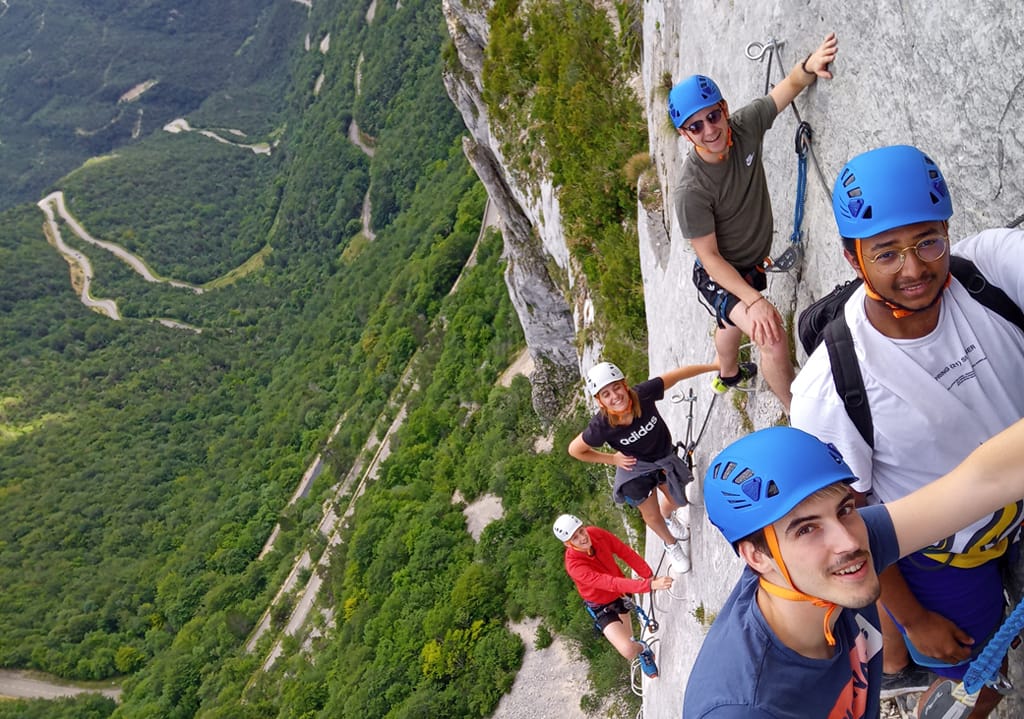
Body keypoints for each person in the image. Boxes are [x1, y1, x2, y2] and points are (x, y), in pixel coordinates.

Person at [790, 145, 1024, 715]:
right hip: (941, 557)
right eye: (886, 252)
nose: (914, 268)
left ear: (948, 230)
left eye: (927, 242)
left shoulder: (990, 269)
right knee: (976, 678)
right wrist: (914, 620)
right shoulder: (832, 388)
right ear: (854, 260)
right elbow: (845, 524)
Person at [683, 421, 1024, 718]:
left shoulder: (826, 562)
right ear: (756, 557)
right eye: (806, 529)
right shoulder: (744, 707)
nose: (847, 541)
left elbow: (983, 482)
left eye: (844, 508)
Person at [668, 32, 839, 412]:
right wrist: (755, 300)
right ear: (684, 134)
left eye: (713, 116)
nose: (710, 130)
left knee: (729, 321)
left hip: (748, 263)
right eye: (696, 127)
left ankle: (728, 374)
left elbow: (788, 87)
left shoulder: (743, 127)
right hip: (721, 273)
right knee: (771, 334)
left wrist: (809, 64)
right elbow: (710, 258)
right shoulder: (691, 191)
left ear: (724, 108)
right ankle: (799, 414)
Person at [568, 360, 718, 571]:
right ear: (600, 401)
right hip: (635, 471)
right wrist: (612, 459)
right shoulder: (601, 426)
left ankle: (668, 517)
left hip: (662, 458)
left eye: (616, 387)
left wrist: (715, 365)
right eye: (606, 394)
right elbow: (575, 450)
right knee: (650, 514)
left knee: (678, 500)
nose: (615, 396)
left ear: (625, 385)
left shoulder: (643, 395)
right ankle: (671, 544)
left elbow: (676, 375)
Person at [553, 514, 673, 677]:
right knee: (628, 650)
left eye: (581, 531)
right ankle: (643, 649)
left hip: (621, 594)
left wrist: (648, 575)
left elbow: (624, 552)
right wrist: (649, 585)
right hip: (602, 605)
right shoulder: (575, 566)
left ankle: (639, 648)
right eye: (575, 537)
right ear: (568, 544)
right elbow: (609, 583)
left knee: (629, 638)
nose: (583, 537)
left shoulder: (596, 534)